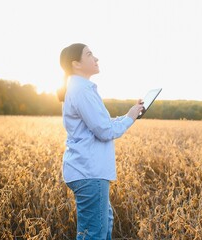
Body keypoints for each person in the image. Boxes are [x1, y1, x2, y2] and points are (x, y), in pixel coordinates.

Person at [58, 43, 144, 240]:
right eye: (89, 55)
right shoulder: (82, 90)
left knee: (102, 227)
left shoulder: (79, 88)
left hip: (88, 171)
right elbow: (104, 131)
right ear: (76, 64)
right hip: (89, 171)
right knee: (94, 234)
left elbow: (102, 124)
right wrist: (130, 118)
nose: (96, 59)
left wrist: (129, 115)